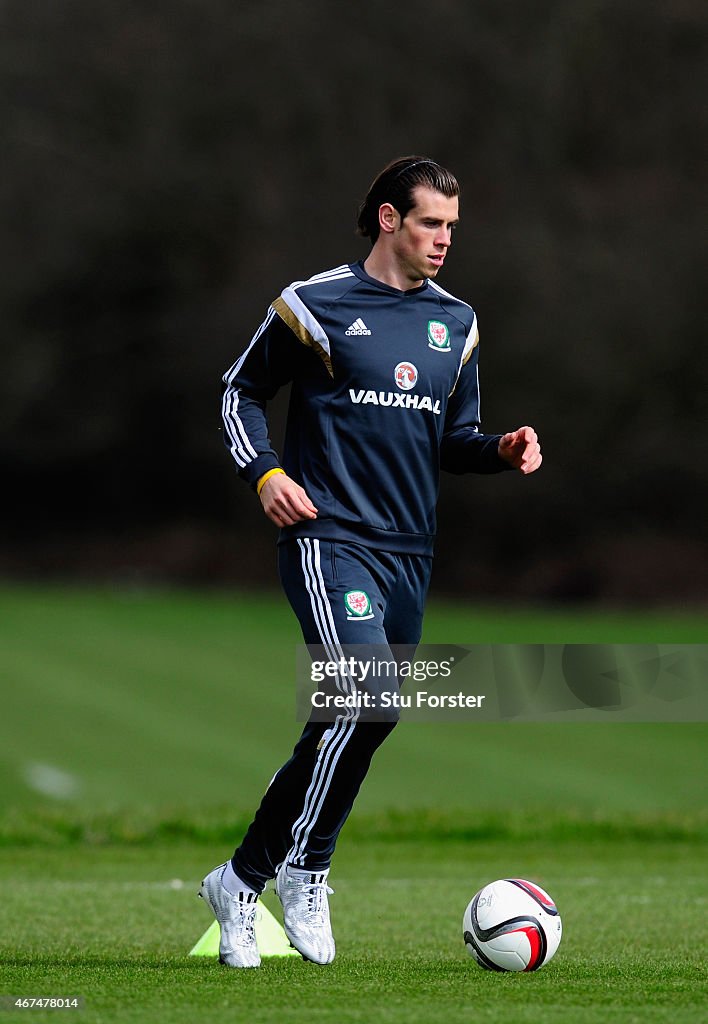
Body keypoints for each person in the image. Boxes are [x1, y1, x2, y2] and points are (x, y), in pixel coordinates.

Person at [199, 156, 542, 968]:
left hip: (407, 552)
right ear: (389, 219)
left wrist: (500, 448)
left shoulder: (457, 323)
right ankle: (280, 875)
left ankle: (257, 875)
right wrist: (266, 472)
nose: (444, 240)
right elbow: (235, 392)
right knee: (369, 692)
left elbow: (452, 439)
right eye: (431, 223)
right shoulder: (312, 305)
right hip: (328, 539)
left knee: (365, 714)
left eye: (453, 227)